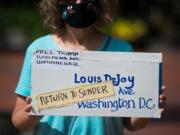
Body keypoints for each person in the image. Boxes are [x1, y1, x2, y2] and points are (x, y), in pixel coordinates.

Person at [12, 0, 166, 135]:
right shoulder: (39, 50)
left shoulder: (122, 51)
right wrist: (31, 114)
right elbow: (18, 121)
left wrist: (147, 107)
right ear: (56, 3)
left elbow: (131, 123)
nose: (79, 3)